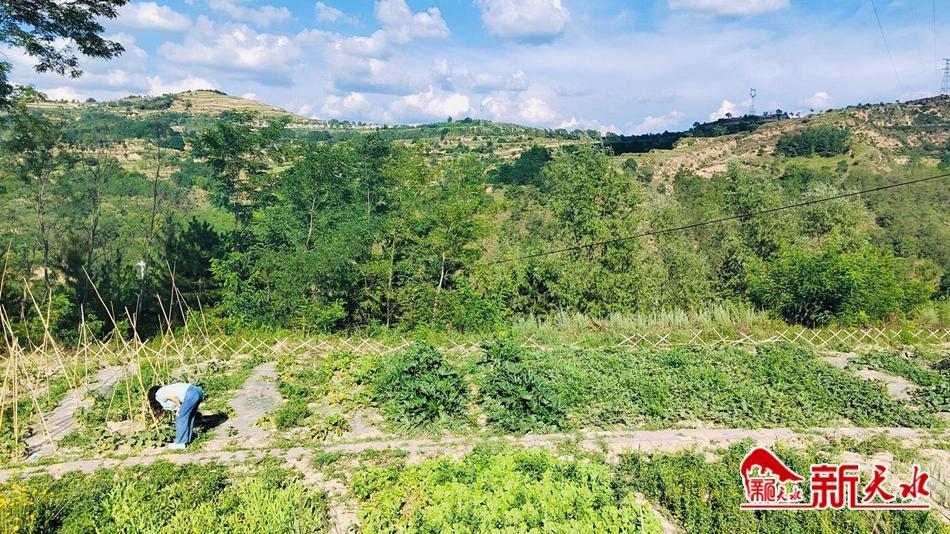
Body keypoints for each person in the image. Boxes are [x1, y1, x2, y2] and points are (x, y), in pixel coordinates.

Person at [147, 382, 204, 449]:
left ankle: (180, 443)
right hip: (197, 391)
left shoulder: (158, 394)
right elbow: (164, 413)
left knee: (180, 417)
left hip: (191, 393)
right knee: (189, 417)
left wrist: (179, 407)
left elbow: (172, 397)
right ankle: (187, 439)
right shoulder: (167, 389)